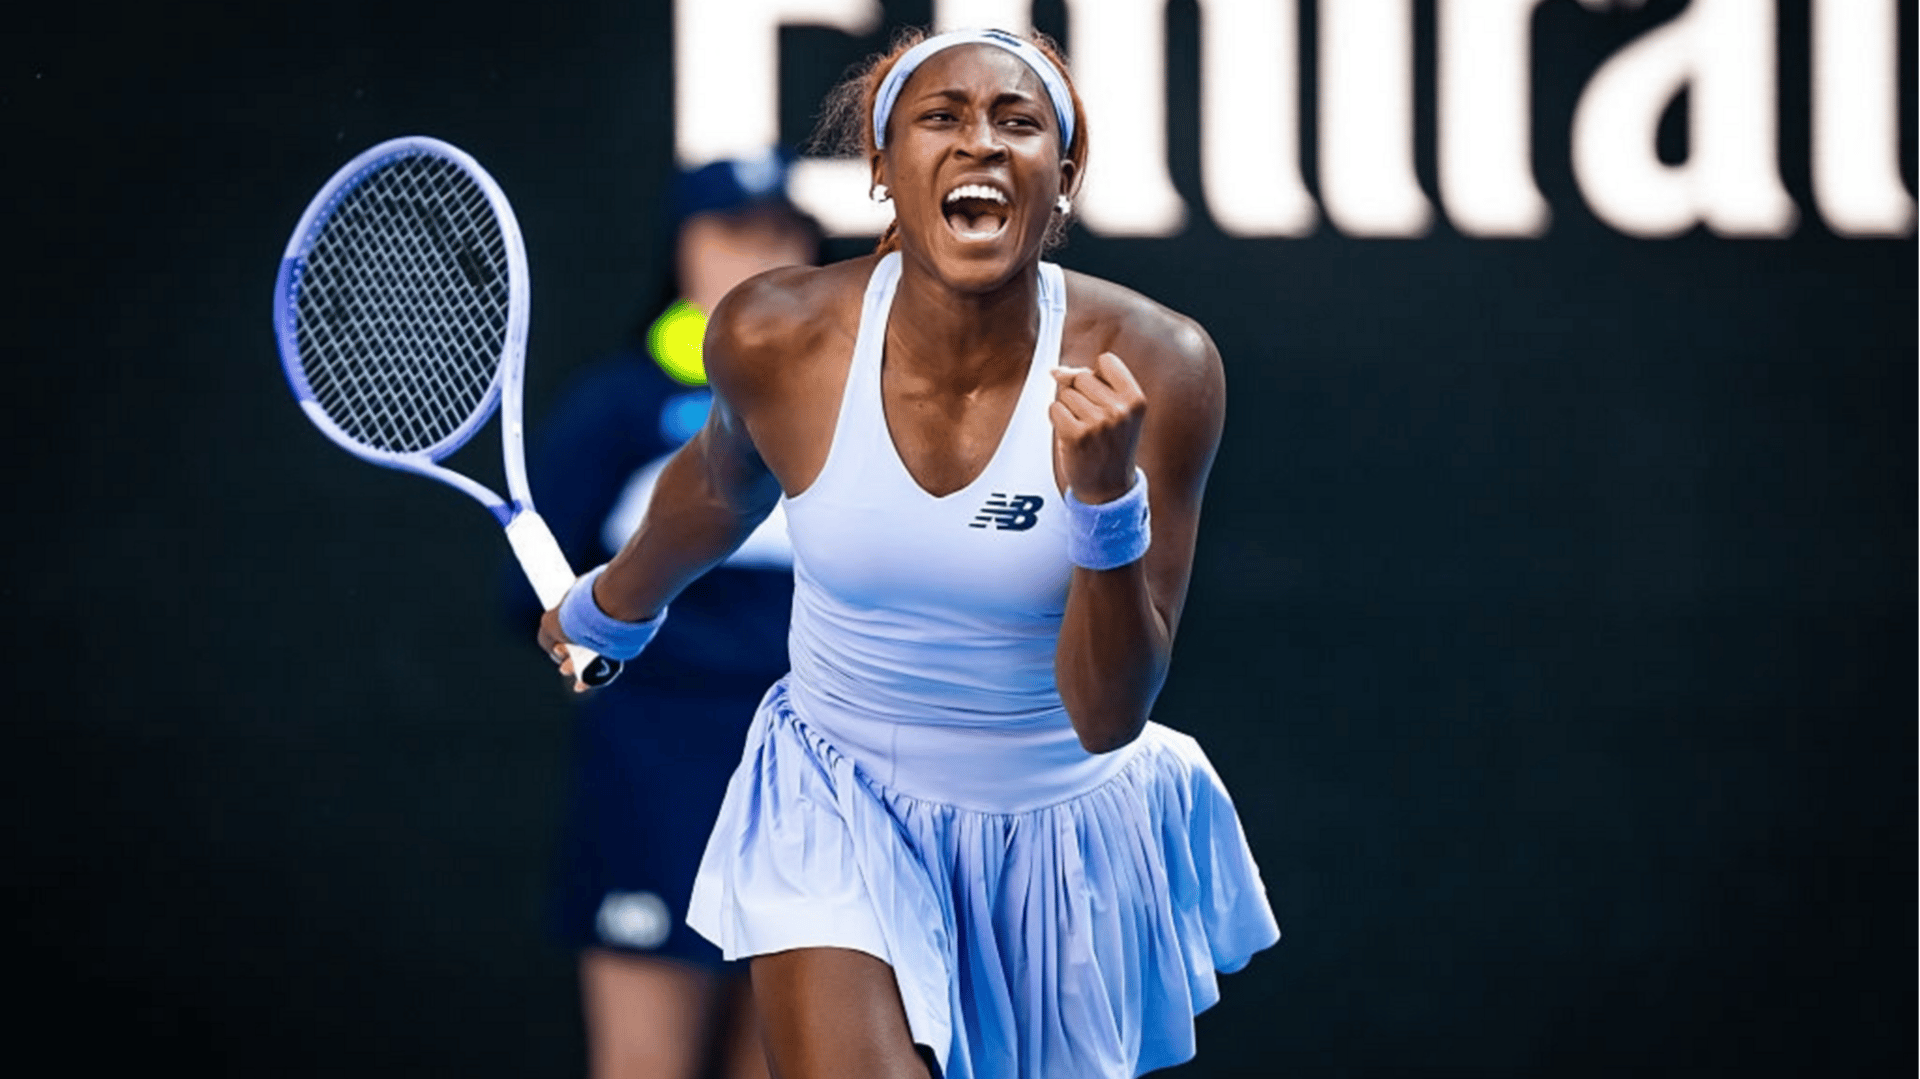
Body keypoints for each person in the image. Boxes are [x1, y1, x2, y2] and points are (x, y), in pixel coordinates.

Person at [539, 26, 1279, 1079]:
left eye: (1018, 121)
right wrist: (609, 608)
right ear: (882, 168)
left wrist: (1104, 502)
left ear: (1063, 178)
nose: (980, 142)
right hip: (833, 795)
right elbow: (715, 486)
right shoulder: (774, 334)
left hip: (1054, 828)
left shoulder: (1161, 364)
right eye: (942, 117)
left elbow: (1109, 712)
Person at [512, 150, 821, 1079]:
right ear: (678, 250)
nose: (759, 254)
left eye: (781, 232)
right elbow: (533, 601)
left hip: (813, 787)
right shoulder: (619, 407)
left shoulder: (859, 409)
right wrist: (580, 642)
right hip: (649, 782)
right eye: (731, 232)